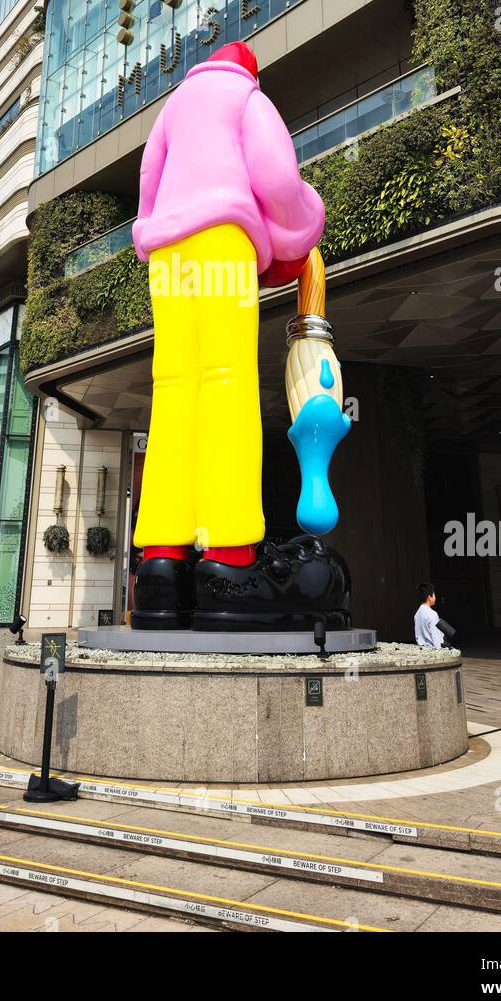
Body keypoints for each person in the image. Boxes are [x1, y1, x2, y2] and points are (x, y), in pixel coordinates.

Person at [130, 40, 325, 628]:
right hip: (222, 238)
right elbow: (278, 176)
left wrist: (154, 229)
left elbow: (148, 179)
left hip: (167, 254)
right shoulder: (245, 97)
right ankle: (228, 558)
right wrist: (298, 230)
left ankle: (161, 562)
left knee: (173, 385)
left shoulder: (173, 108)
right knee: (226, 380)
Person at [414, 582, 445, 648]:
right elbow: (436, 638)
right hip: (432, 650)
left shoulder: (417, 614)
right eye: (434, 595)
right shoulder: (432, 614)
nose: (435, 597)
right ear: (429, 597)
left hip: (422, 649)